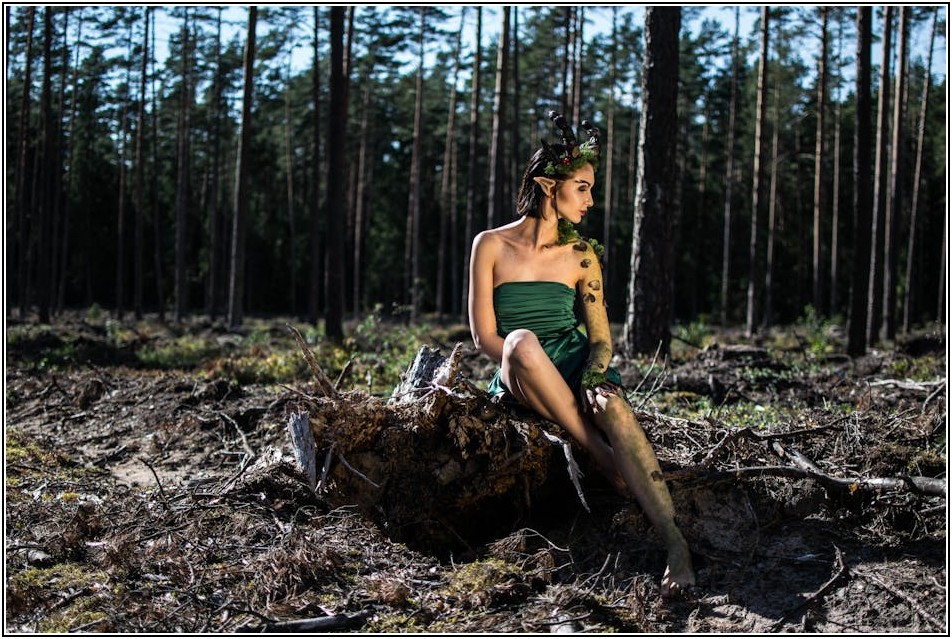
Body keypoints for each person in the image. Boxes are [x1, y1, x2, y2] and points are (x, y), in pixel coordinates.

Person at [468, 111, 696, 598]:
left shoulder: (582, 256)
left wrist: (595, 375)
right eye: (583, 187)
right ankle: (602, 457)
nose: (591, 200)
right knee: (519, 342)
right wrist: (520, 361)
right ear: (550, 185)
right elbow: (485, 336)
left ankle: (675, 543)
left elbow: (601, 340)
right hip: (519, 367)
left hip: (575, 363)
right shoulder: (489, 245)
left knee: (613, 406)